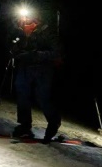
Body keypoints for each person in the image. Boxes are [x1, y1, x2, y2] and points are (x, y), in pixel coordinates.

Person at [9, 9, 63, 143]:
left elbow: (56, 52)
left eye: (27, 17)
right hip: (25, 66)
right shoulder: (19, 30)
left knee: (43, 96)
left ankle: (53, 123)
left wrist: (36, 55)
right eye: (22, 17)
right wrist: (15, 50)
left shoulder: (46, 31)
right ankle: (25, 125)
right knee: (22, 93)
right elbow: (12, 43)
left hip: (43, 69)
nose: (25, 19)